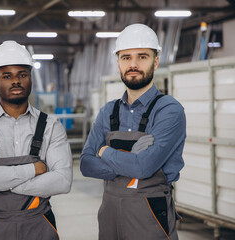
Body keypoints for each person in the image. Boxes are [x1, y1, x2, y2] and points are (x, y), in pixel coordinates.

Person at [80, 23, 186, 239]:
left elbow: (144, 166)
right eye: (126, 58)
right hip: (109, 215)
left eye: (142, 57)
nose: (133, 64)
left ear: (155, 62)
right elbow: (85, 164)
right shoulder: (108, 111)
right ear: (118, 63)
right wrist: (131, 163)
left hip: (149, 215)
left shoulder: (169, 110)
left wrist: (104, 152)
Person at [0, 40, 73, 240]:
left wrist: (3, 183)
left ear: (30, 78)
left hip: (40, 225)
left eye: (22, 75)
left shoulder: (50, 125)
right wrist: (34, 169)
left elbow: (63, 181)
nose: (16, 81)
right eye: (7, 76)